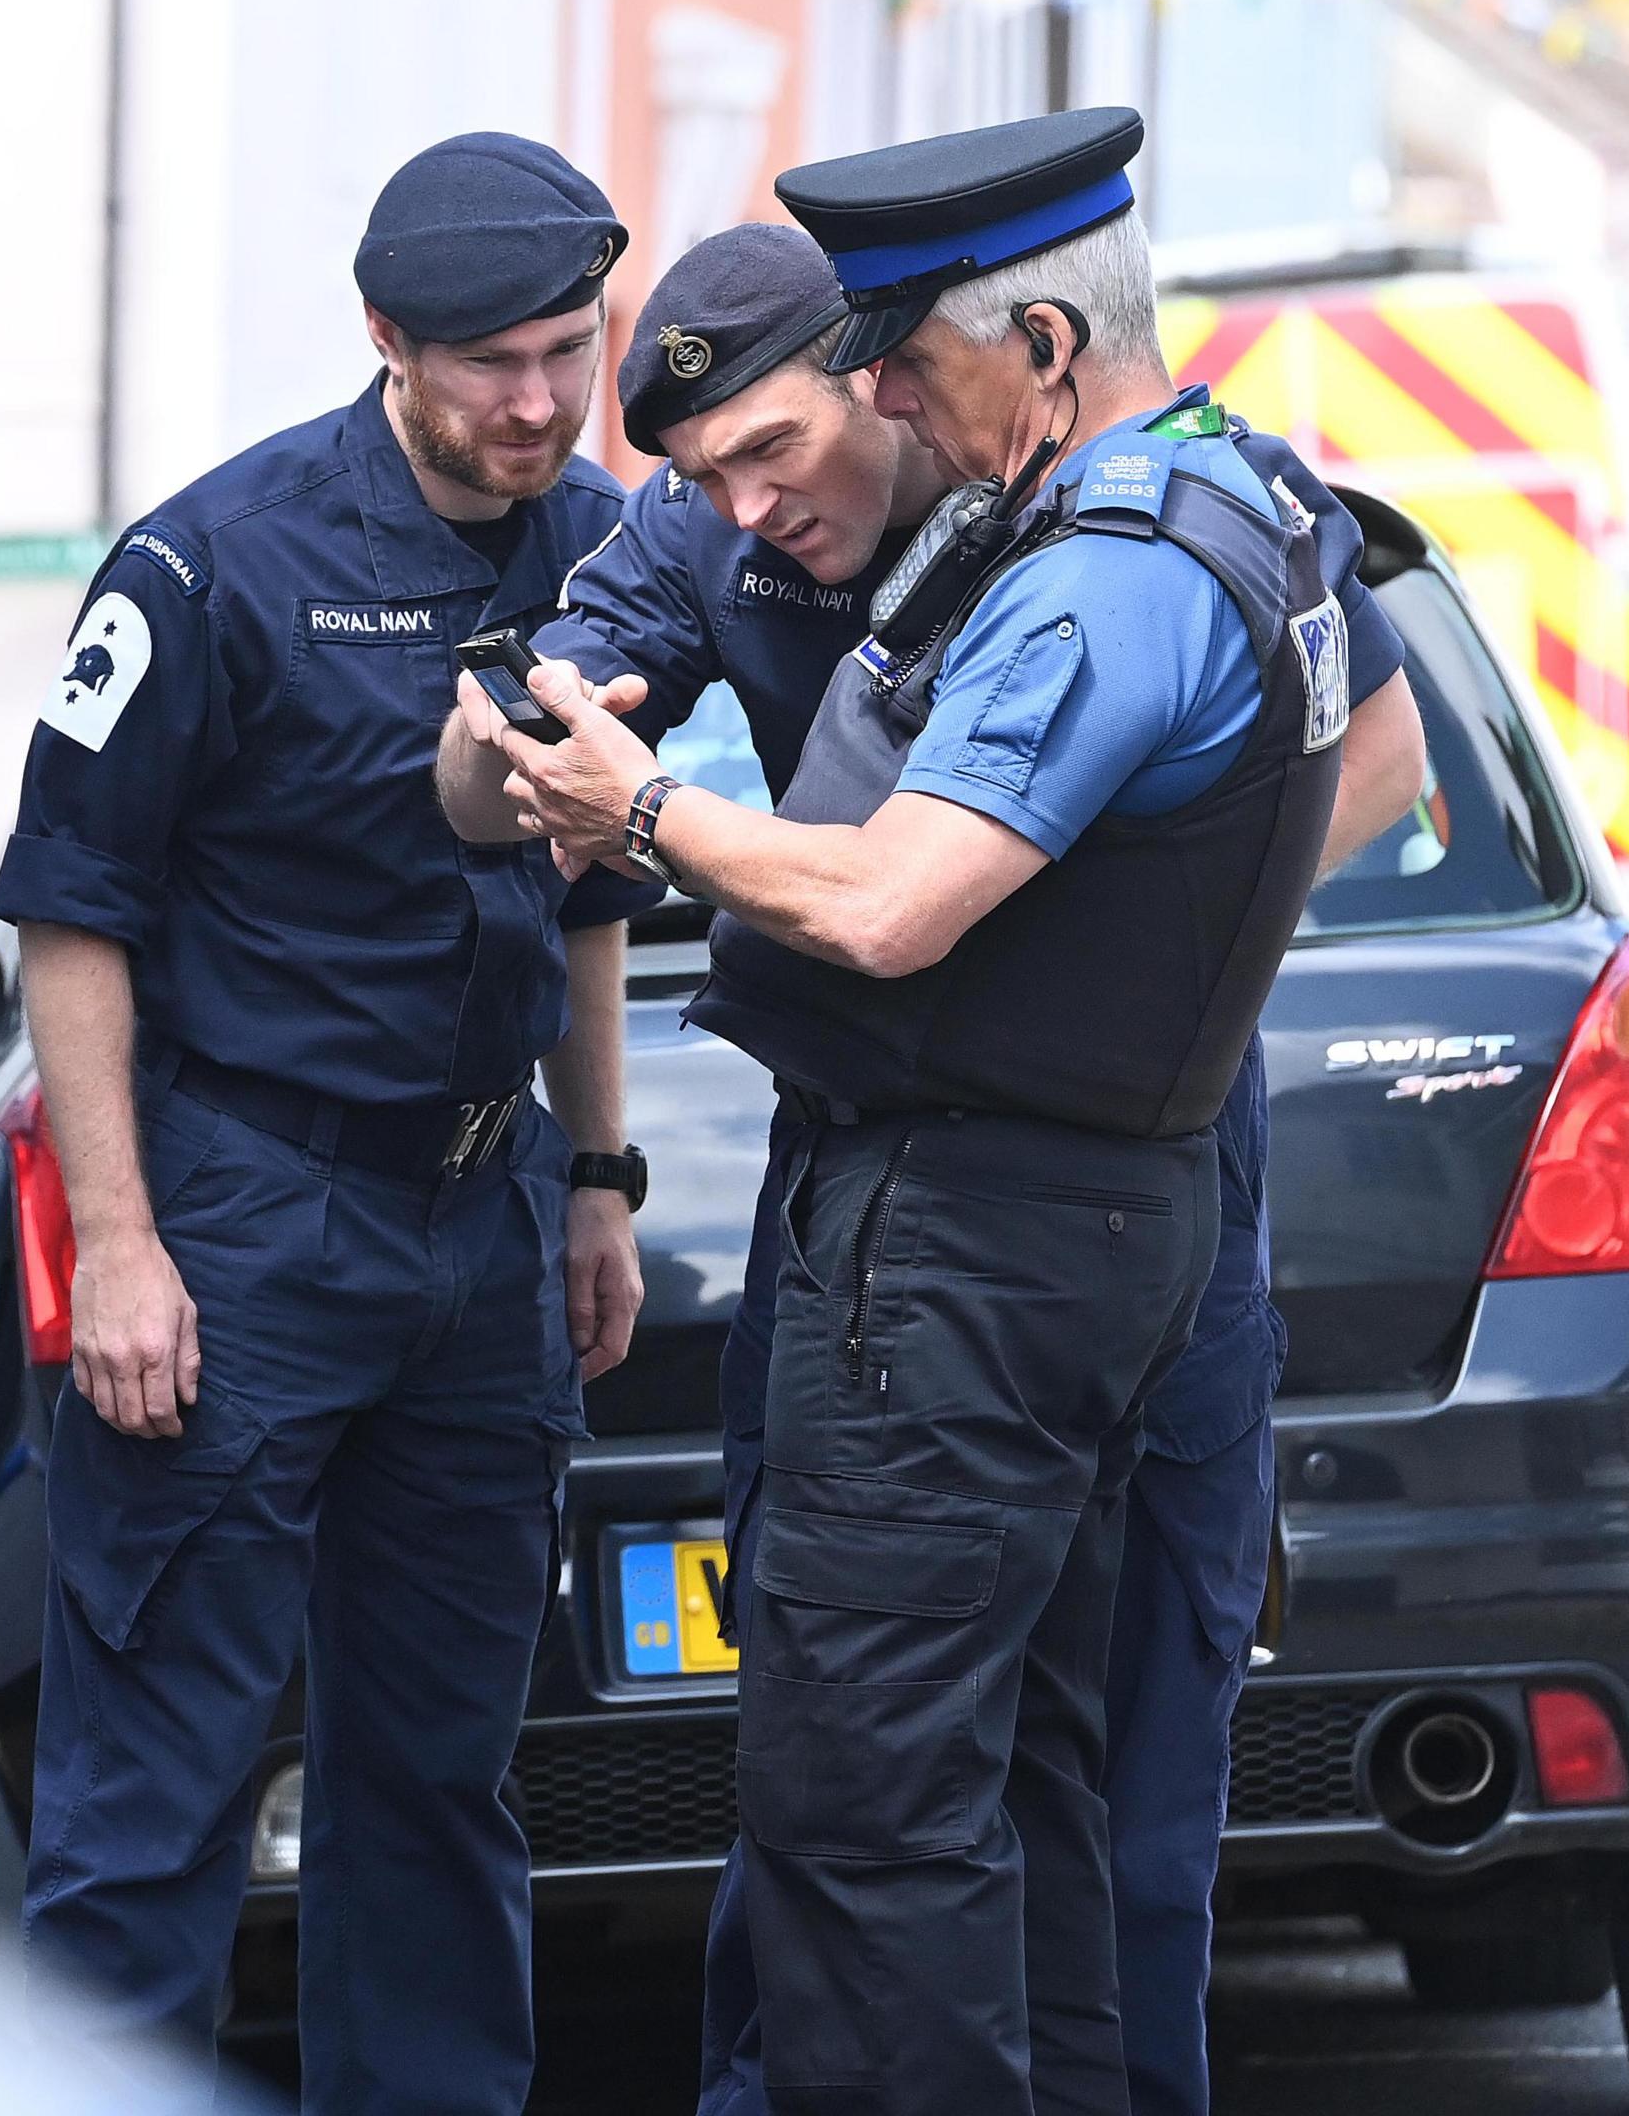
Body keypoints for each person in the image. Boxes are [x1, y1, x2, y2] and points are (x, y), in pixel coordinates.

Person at [468, 106, 1378, 2115]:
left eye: (901, 365)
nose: (883, 393)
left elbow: (887, 903)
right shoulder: (1234, 497)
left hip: (984, 1230)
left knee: (879, 1802)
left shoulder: (1097, 575)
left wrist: (649, 812)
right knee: (1022, 1775)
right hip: (1070, 1202)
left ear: (1044, 347)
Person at [0, 133, 656, 2111]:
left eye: (569, 350)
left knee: (441, 1790)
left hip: (480, 1225)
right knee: (154, 1801)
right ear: (386, 339)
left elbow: (595, 886)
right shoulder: (215, 563)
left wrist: (600, 1175)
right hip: (238, 1217)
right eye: (491, 366)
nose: (537, 404)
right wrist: (117, 1244)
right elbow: (70, 916)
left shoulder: (611, 546)